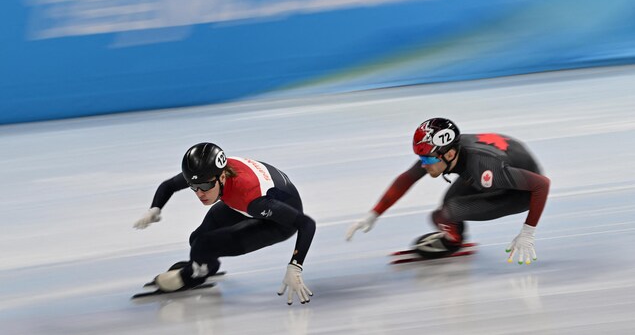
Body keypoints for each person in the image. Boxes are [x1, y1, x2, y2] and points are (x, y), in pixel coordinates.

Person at [346, 117, 550, 264]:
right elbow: (407, 179)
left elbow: (542, 185)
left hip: (521, 192)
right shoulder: (445, 152)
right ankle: (455, 236)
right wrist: (374, 214)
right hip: (505, 166)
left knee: (447, 212)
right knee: (447, 205)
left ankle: (453, 240)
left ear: (450, 153)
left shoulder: (484, 170)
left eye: (427, 159)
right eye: (420, 157)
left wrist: (527, 233)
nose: (423, 164)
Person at [133, 142, 316, 304]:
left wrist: (295, 266)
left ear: (222, 177)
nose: (199, 194)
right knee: (196, 238)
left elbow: (306, 224)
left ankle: (193, 275)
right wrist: (154, 209)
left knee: (204, 245)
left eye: (205, 187)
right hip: (248, 201)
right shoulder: (206, 171)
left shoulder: (251, 198)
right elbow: (169, 186)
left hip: (278, 222)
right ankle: (206, 266)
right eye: (193, 187)